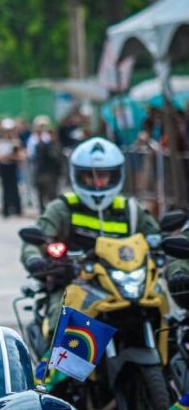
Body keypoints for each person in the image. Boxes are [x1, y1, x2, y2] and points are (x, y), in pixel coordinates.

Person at [20, 137, 189, 331]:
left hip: (128, 284)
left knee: (170, 324)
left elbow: (159, 239)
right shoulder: (62, 208)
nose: (98, 182)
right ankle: (54, 360)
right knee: (62, 322)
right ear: (78, 176)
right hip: (76, 283)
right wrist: (34, 259)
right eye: (89, 176)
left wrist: (175, 268)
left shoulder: (130, 209)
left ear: (116, 175)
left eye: (104, 175)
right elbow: (36, 239)